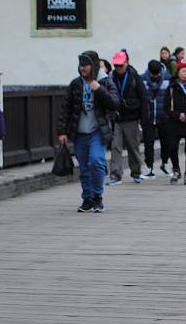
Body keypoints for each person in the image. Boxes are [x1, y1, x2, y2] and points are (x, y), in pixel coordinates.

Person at [58, 51, 120, 213]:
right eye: (80, 65)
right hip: (79, 133)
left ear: (93, 65)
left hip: (97, 132)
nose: (82, 68)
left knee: (97, 162)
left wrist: (99, 89)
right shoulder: (75, 84)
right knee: (84, 168)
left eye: (85, 65)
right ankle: (87, 198)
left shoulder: (105, 82)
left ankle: (98, 197)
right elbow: (66, 108)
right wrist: (62, 131)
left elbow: (114, 103)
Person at [108, 50, 147, 185]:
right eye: (116, 65)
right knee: (115, 146)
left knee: (133, 147)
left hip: (131, 117)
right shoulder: (111, 77)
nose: (118, 68)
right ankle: (115, 175)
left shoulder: (135, 77)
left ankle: (136, 172)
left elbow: (143, 98)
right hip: (117, 117)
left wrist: (143, 119)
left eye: (121, 65)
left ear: (127, 62)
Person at [141, 59, 172, 178]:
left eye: (157, 73)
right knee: (148, 143)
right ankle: (149, 167)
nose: (155, 76)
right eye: (153, 74)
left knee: (166, 143)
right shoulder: (142, 79)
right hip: (148, 116)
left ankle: (165, 163)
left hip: (164, 116)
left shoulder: (168, 79)